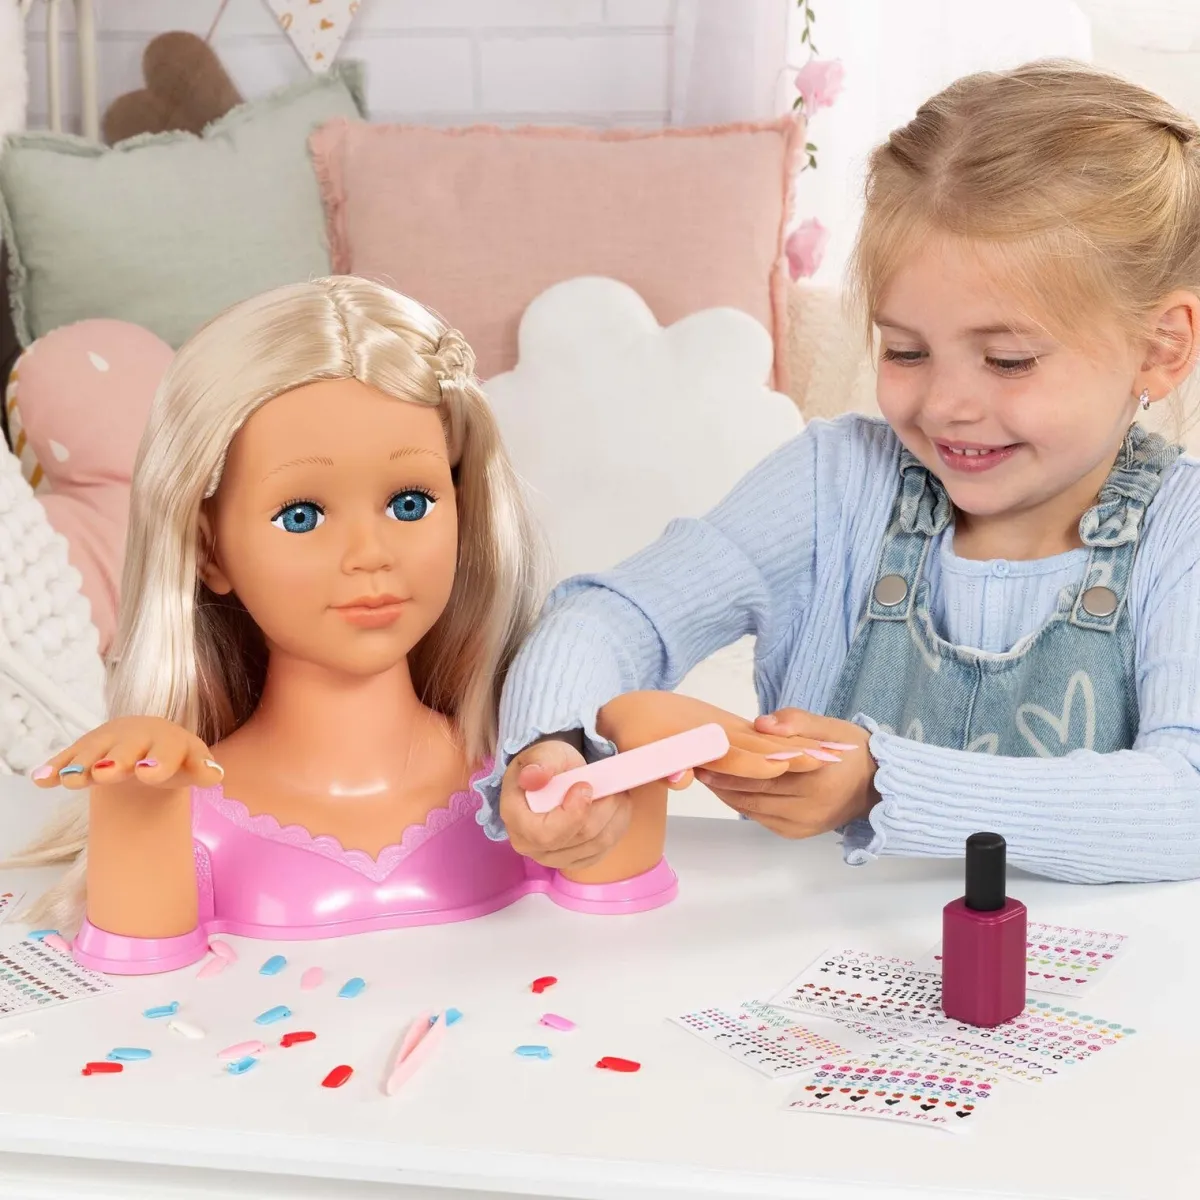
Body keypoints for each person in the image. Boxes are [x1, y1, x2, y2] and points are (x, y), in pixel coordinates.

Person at [485, 60, 1200, 886]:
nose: (945, 405)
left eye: (1008, 360)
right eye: (906, 351)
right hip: (807, 954)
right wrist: (552, 744)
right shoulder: (835, 482)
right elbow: (615, 617)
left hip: (1083, 965)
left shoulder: (1182, 533)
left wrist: (883, 783)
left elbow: (1184, 801)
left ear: (1162, 347)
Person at [14, 278, 799, 973]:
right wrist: (134, 800)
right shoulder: (198, 820)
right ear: (209, 550)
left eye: (411, 502)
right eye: (301, 515)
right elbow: (141, 970)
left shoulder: (519, 785)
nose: (371, 554)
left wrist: (634, 748)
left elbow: (615, 924)